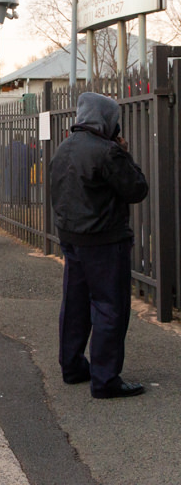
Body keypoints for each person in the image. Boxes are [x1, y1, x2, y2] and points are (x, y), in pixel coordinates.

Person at [51, 93, 149, 399]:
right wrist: (125, 154)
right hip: (105, 240)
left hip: (72, 237)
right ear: (107, 120)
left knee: (75, 304)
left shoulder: (64, 147)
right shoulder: (108, 152)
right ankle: (105, 380)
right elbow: (137, 189)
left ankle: (72, 366)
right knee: (109, 307)